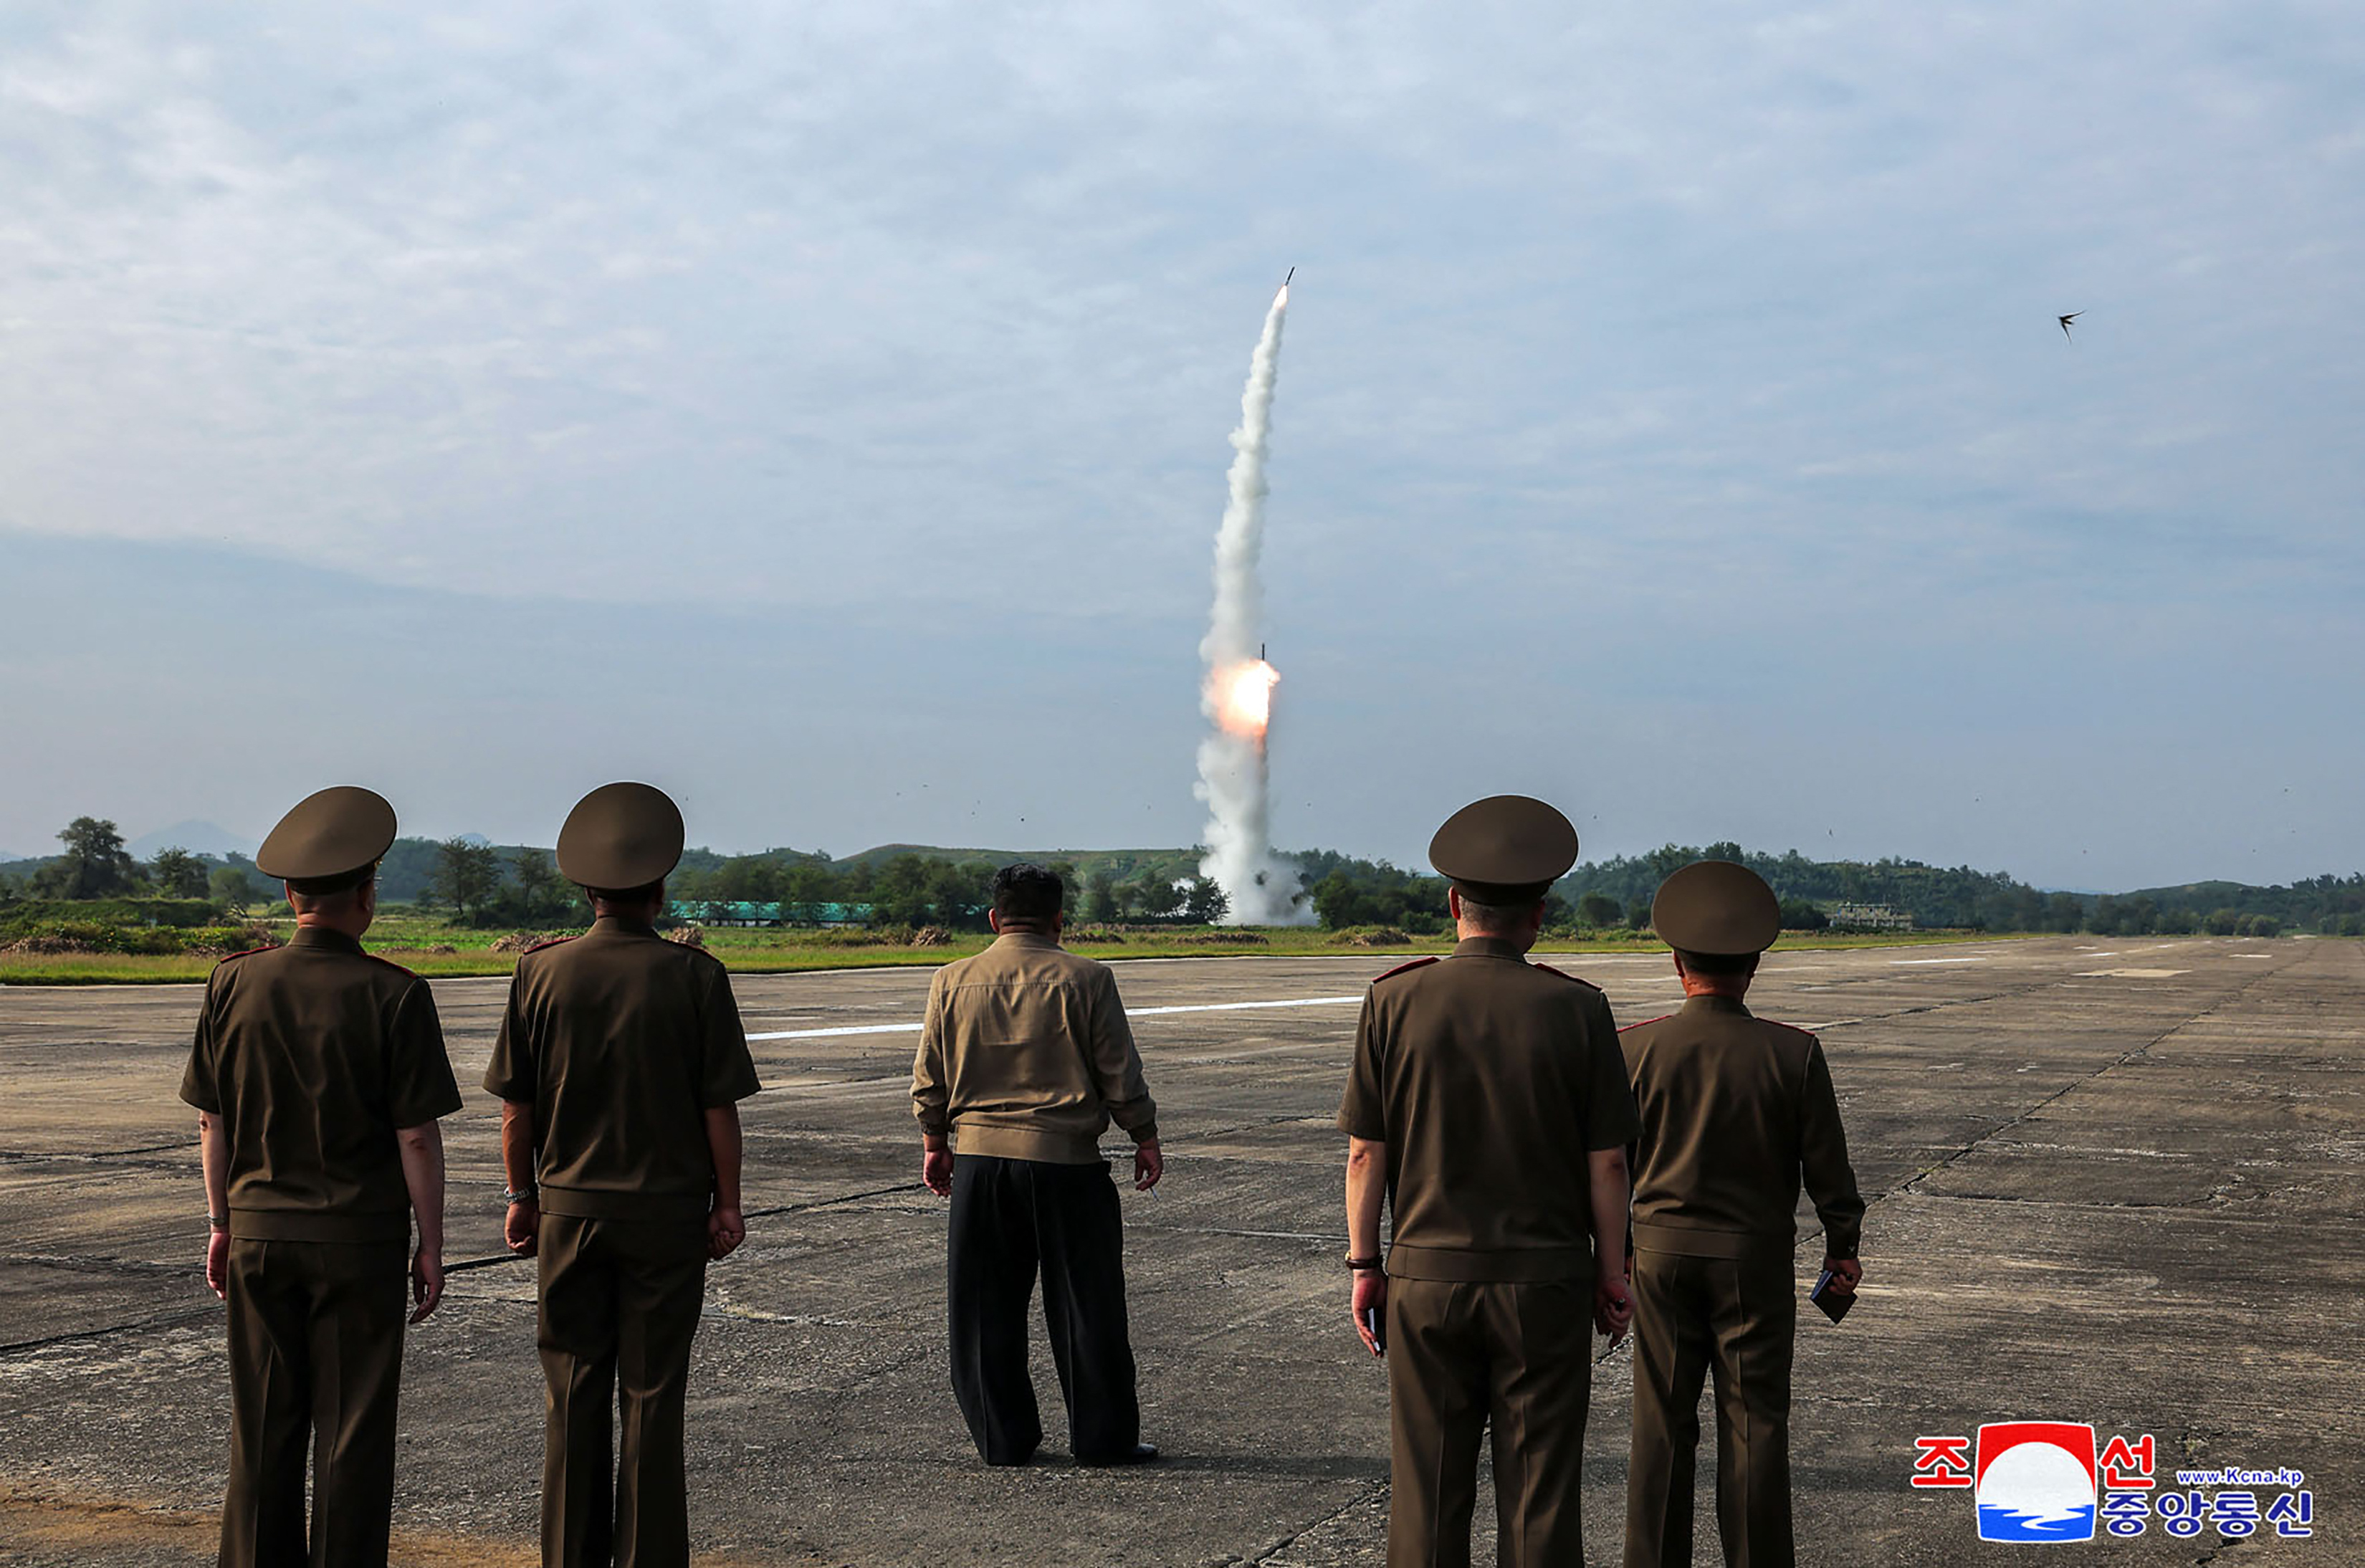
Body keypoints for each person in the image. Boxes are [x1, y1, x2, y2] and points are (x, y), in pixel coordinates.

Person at [1338, 795, 1640, 1568]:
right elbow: (1607, 1161)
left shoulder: (1393, 999)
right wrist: (1614, 1273)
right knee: (1540, 1500)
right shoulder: (1578, 1008)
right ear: (1539, 913)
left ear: (1452, 905)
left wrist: (1365, 1264)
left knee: (1428, 1498)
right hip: (1544, 1285)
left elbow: (1366, 1154)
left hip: (1426, 1279)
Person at [179, 785, 462, 1568]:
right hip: (358, 1242)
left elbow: (212, 1121)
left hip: (258, 1234)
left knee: (264, 1429)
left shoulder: (231, 982)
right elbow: (415, 1136)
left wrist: (221, 1221)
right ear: (367, 895)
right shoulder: (396, 992)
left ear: (287, 894)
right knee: (352, 1433)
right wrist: (431, 1243)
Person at [484, 781, 762, 1568]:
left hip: (568, 1212)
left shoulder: (538, 974)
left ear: (586, 889)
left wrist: (521, 1196)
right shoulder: (695, 976)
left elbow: (516, 1110)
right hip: (667, 1214)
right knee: (652, 1395)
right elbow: (719, 1110)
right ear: (659, 889)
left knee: (571, 1393)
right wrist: (728, 1203)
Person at [1620, 859, 1867, 1568]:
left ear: (1676, 963)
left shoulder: (1634, 1048)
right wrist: (1842, 1246)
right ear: (1754, 966)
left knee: (1661, 1428)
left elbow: (1610, 1165)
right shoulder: (1794, 1052)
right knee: (1755, 1426)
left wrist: (1612, 1254)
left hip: (1658, 1258)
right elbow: (1829, 1168)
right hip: (1753, 1261)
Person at [910, 861, 1163, 1466]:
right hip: (1067, 1163)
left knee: (983, 1307)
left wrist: (934, 1141)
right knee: (1087, 1304)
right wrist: (1144, 1134)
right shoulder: (1089, 978)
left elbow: (930, 1077)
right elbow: (1117, 1072)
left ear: (995, 918)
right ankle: (1102, 1440)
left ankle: (1003, 1439)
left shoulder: (951, 979)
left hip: (979, 1162)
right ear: (1059, 921)